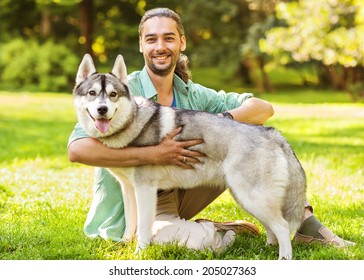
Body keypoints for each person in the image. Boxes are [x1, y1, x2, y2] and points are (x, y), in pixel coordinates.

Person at [68, 7, 354, 251]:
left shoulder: (194, 95)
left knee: (257, 143)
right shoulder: (121, 90)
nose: (160, 46)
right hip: (145, 200)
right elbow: (77, 150)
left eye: (169, 38)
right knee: (185, 241)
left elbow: (261, 108)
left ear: (182, 43)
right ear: (141, 45)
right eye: (151, 39)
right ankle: (218, 230)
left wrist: (221, 123)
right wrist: (156, 153)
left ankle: (307, 225)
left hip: (187, 178)